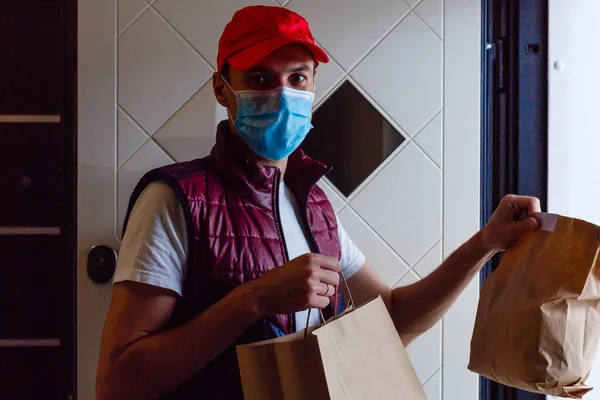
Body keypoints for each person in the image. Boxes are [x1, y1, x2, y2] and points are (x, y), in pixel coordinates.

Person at [95, 5, 541, 400]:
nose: (282, 94)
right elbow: (117, 383)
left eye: (297, 78)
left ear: (312, 88)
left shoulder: (313, 205)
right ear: (221, 88)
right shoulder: (176, 200)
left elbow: (393, 322)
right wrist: (250, 301)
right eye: (259, 79)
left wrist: (485, 243)